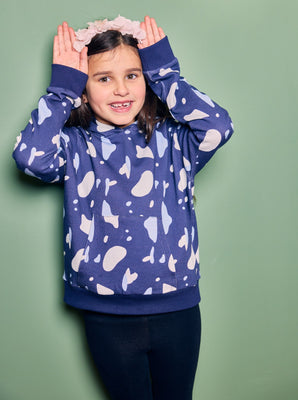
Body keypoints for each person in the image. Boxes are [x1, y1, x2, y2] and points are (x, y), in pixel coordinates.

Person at [12, 15, 234, 400]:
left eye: (132, 75)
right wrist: (60, 92)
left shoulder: (175, 142)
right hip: (105, 312)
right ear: (83, 90)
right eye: (103, 78)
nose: (120, 89)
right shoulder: (75, 146)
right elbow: (31, 157)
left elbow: (218, 125)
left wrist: (166, 74)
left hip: (177, 306)